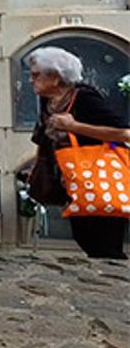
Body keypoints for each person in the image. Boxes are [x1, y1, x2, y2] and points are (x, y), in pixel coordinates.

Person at [27, 47, 128, 259]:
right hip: (72, 180)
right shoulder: (49, 100)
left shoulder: (84, 98)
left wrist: (75, 127)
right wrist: (37, 168)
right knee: (84, 237)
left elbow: (124, 133)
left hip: (100, 179)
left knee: (105, 244)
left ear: (55, 77)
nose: (30, 80)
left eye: (36, 75)